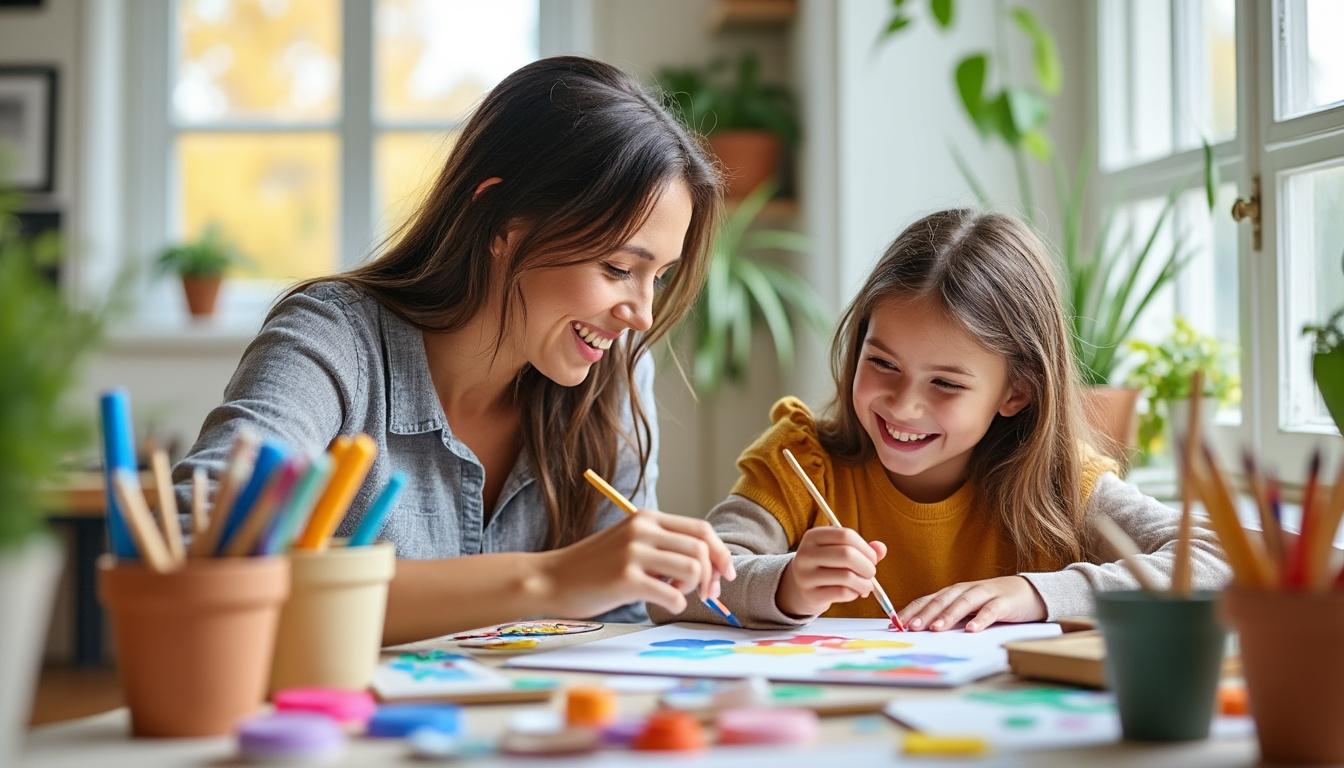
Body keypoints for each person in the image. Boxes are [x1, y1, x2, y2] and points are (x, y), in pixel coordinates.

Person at [174, 56, 735, 644]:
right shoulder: (334, 340)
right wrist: (548, 579)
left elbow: (617, 623)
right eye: (619, 267)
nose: (642, 314)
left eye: (660, 277)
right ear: (500, 225)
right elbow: (204, 552)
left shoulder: (613, 371)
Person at [653, 209, 1230, 631]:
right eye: (882, 364)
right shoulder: (800, 463)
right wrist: (787, 583)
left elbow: (1219, 560)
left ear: (1018, 391)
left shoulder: (1061, 485)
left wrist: (1037, 592)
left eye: (946, 384)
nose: (904, 406)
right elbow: (677, 585)